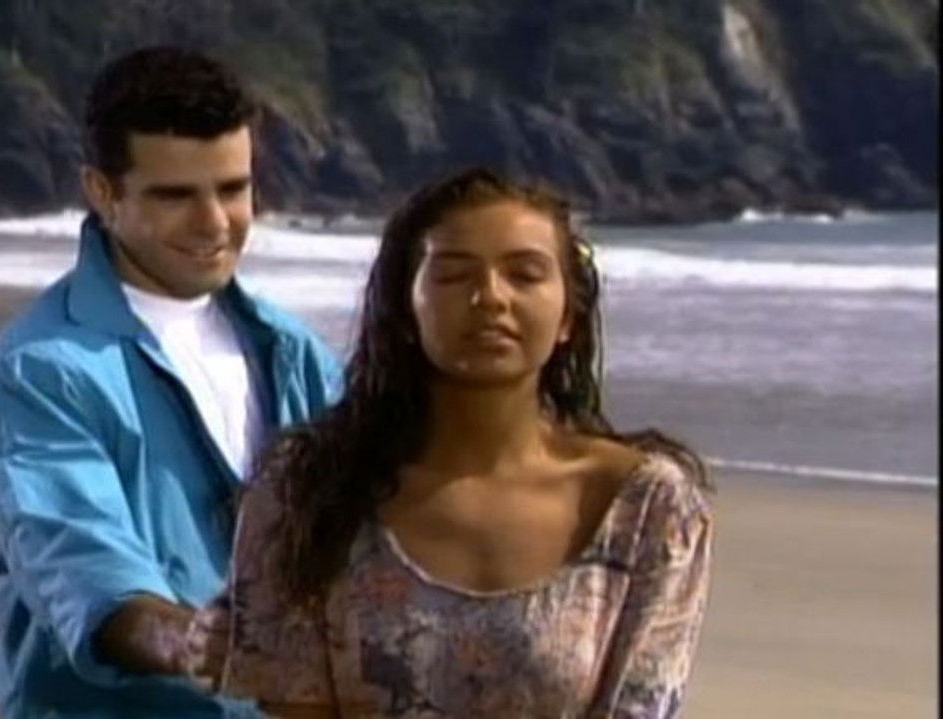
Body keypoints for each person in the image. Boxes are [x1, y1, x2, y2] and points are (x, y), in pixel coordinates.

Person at [220, 167, 714, 718]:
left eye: (525, 275)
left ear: (568, 318)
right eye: (454, 275)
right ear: (405, 309)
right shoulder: (305, 491)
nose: (490, 297)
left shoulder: (646, 506)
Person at [0, 46, 341, 719]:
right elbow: (84, 571)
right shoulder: (35, 373)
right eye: (175, 195)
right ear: (103, 192)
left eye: (233, 189)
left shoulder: (297, 353)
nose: (214, 221)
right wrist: (201, 645)